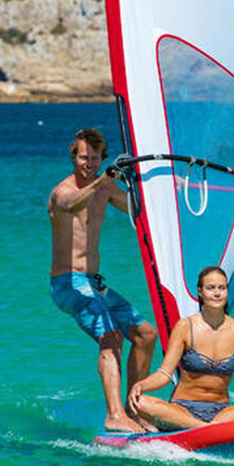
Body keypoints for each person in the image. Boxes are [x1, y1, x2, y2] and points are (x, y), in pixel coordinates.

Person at [48, 128, 157, 432]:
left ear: (102, 158)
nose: (89, 163)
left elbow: (136, 209)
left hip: (94, 283)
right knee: (111, 337)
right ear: (74, 156)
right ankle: (114, 415)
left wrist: (155, 185)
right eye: (84, 157)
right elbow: (72, 205)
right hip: (68, 283)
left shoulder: (105, 188)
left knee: (146, 335)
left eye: (95, 158)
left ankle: (135, 410)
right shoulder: (63, 191)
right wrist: (105, 179)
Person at [128, 266, 234, 430]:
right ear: (200, 292)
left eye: (222, 288)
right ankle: (204, 428)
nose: (217, 293)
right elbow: (164, 373)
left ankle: (210, 428)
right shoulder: (185, 327)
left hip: (222, 413)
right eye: (210, 288)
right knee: (142, 402)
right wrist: (141, 386)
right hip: (183, 409)